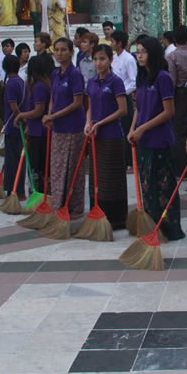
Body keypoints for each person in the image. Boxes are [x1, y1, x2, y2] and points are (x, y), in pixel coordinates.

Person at [129, 36, 185, 241]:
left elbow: (169, 111)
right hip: (143, 140)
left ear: (153, 53)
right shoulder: (142, 77)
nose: (139, 55)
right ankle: (152, 227)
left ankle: (170, 228)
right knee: (147, 185)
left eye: (143, 51)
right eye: (137, 52)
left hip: (160, 141)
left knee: (163, 186)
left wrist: (143, 128)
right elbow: (139, 108)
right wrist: (133, 128)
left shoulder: (162, 77)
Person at [84, 44, 128, 229]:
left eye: (102, 59)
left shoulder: (115, 82)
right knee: (96, 177)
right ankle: (96, 215)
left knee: (111, 178)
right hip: (95, 136)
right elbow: (89, 108)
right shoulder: (91, 82)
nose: (98, 63)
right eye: (95, 59)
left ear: (110, 60)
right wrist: (88, 123)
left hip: (112, 136)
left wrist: (100, 123)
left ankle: (115, 219)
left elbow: (123, 110)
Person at [44, 38, 86, 219]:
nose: (59, 53)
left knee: (72, 168)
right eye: (57, 50)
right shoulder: (55, 74)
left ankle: (74, 206)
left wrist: (54, 116)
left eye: (63, 50)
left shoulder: (75, 74)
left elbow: (77, 103)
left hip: (73, 127)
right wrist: (49, 115)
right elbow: (53, 98)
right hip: (57, 128)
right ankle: (58, 204)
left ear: (71, 52)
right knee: (57, 167)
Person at [15, 55, 54, 194]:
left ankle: (39, 194)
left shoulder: (39, 87)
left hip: (40, 133)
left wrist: (22, 115)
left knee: (37, 165)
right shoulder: (44, 85)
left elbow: (38, 111)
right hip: (37, 131)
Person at [166, 25, 187, 180]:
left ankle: (182, 170)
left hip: (180, 94)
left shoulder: (172, 56)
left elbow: (171, 80)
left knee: (179, 132)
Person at [110, 30, 138, 172]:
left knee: (126, 127)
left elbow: (134, 82)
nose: (111, 44)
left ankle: (130, 161)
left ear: (119, 43)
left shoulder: (129, 59)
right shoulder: (113, 58)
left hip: (124, 96)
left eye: (112, 42)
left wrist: (121, 92)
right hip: (113, 97)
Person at [2, 55, 26, 199]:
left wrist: (19, 117)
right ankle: (20, 190)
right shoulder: (22, 82)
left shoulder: (10, 84)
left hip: (13, 124)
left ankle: (13, 191)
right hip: (20, 125)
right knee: (20, 159)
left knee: (11, 160)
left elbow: (13, 106)